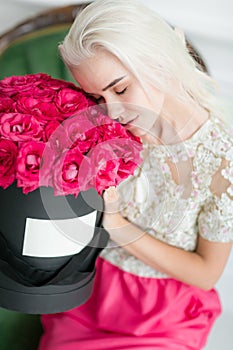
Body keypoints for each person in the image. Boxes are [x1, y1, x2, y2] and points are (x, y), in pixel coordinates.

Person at [38, 0, 233, 349]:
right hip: (88, 296)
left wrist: (117, 226)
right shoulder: (101, 125)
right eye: (97, 96)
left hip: (163, 319)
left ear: (157, 62)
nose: (111, 110)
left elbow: (206, 274)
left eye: (121, 88)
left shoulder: (222, 160)